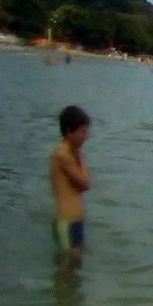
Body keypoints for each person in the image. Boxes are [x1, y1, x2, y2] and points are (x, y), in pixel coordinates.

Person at [50, 105, 91, 258]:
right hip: (66, 223)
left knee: (74, 273)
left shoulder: (71, 153)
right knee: (67, 272)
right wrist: (80, 155)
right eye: (82, 132)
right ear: (69, 132)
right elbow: (86, 183)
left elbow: (80, 186)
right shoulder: (62, 154)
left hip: (75, 222)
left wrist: (78, 153)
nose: (85, 136)